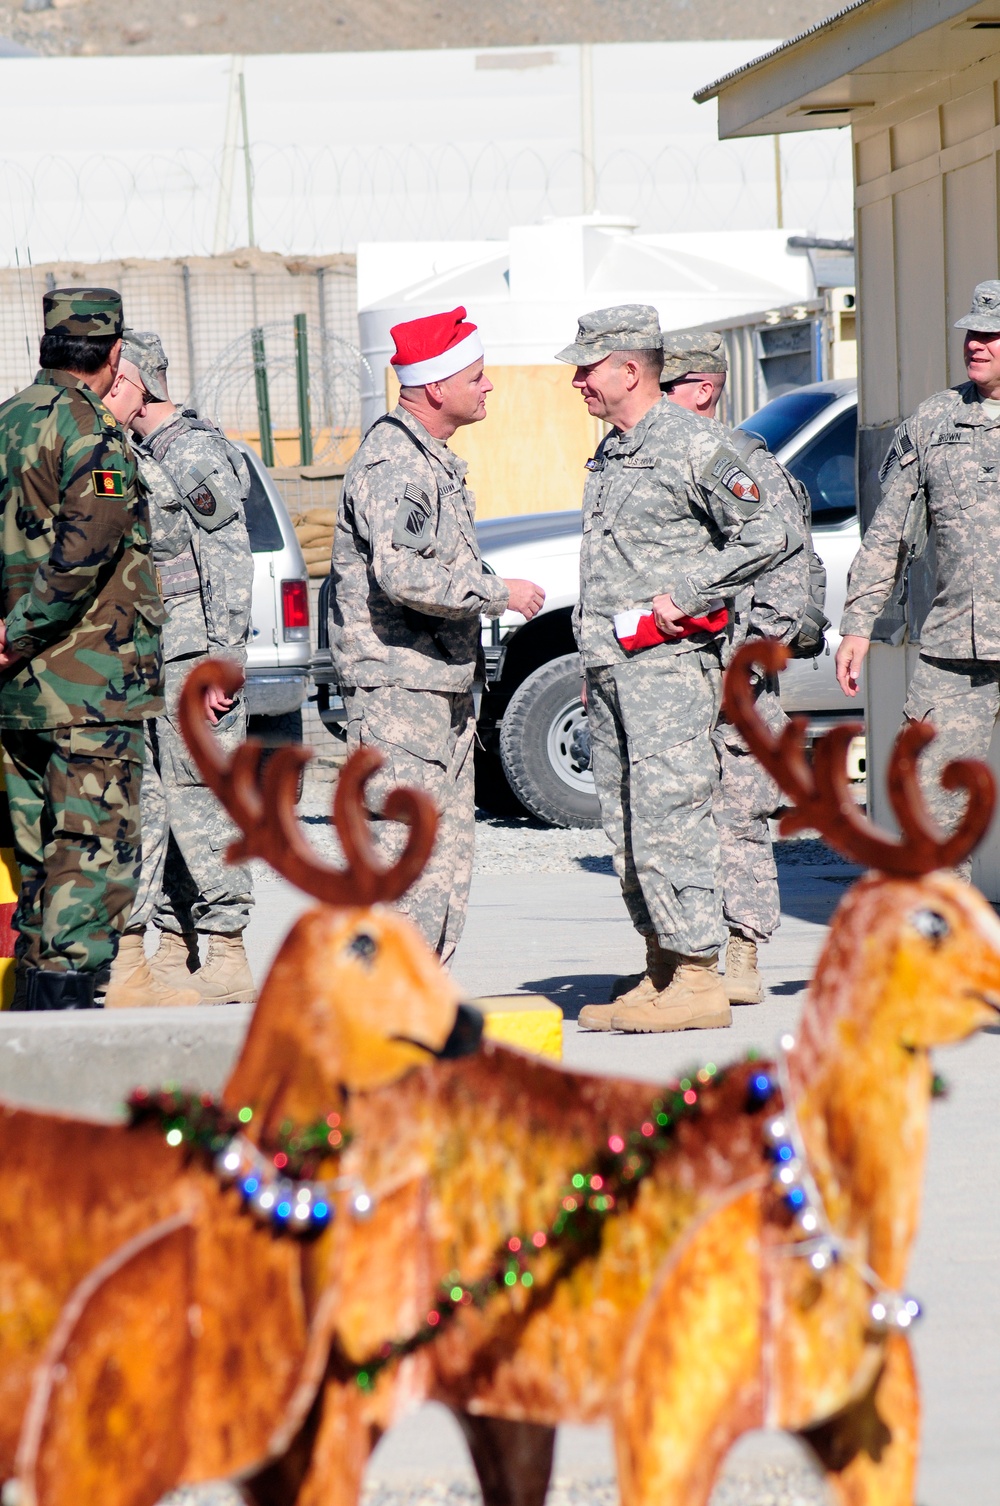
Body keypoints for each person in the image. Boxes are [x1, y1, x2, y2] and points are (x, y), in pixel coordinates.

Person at [562, 306, 787, 1034]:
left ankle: (696, 977)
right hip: (611, 666)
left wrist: (684, 597)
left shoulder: (696, 445)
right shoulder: (615, 449)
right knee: (627, 823)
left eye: (588, 368)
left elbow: (770, 532)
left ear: (630, 370)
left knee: (671, 816)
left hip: (664, 668)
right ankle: (662, 965)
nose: (577, 381)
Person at [330, 306, 545, 964]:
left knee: (444, 863)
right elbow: (402, 575)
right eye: (476, 376)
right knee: (405, 860)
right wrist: (495, 590)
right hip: (400, 693)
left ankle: (415, 999)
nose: (487, 387)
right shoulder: (397, 463)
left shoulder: (431, 460)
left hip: (436, 686)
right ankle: (380, 1012)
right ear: (435, 387)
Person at [0, 288, 165, 1011]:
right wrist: (20, 631)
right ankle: (61, 1035)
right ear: (114, 353)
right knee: (90, 861)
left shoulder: (7, 422)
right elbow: (85, 549)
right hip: (84, 688)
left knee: (39, 861)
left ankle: (33, 1037)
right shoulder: (91, 431)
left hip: (17, 693)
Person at [102, 330, 256, 1006]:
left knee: (206, 799)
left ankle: (226, 953)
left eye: (114, 382)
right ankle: (176, 946)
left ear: (145, 382)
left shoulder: (192, 452)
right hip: (157, 655)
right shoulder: (143, 454)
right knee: (161, 804)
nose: (105, 395)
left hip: (195, 657)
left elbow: (228, 557)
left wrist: (225, 659)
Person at [660, 331, 814, 1004]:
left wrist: (753, 657)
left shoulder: (735, 463)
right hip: (663, 673)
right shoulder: (648, 461)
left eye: (661, 388)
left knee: (738, 812)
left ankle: (743, 950)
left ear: (702, 389)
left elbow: (786, 561)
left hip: (731, 671)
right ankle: (678, 957)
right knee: (669, 812)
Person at [836, 279, 1000, 877]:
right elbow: (890, 534)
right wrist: (857, 624)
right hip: (958, 647)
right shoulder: (936, 419)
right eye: (972, 333)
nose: (975, 345)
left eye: (991, 334)